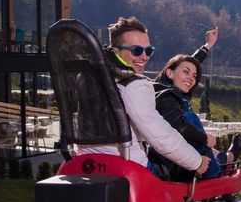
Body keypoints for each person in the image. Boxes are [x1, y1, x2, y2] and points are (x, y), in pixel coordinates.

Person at [75, 16, 210, 177]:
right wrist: (197, 162)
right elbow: (160, 136)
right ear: (116, 49)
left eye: (149, 50)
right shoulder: (134, 84)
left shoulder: (87, 77)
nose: (144, 57)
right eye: (137, 50)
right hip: (128, 167)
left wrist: (207, 47)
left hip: (86, 164)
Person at [150, 47, 241, 181]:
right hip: (171, 160)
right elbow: (179, 124)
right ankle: (219, 166)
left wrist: (206, 47)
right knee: (190, 118)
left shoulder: (168, 90)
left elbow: (187, 63)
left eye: (195, 76)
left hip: (174, 152)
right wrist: (204, 138)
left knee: (190, 120)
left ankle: (224, 158)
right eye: (186, 72)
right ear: (169, 73)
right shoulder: (167, 97)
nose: (191, 78)